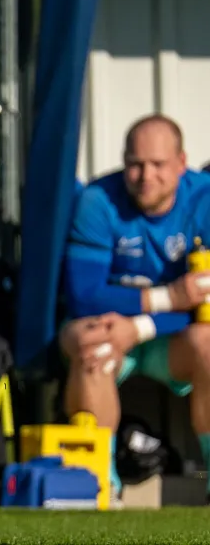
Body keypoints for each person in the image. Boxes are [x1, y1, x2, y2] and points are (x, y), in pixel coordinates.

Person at [60, 114, 210, 500]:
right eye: (135, 164)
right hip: (106, 331)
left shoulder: (204, 200)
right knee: (91, 343)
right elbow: (84, 295)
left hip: (169, 340)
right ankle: (99, 483)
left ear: (181, 163)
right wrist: (168, 297)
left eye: (158, 165)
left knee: (209, 343)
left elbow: (204, 302)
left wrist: (141, 326)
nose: (145, 176)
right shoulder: (98, 201)